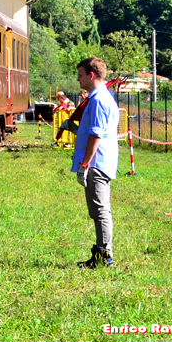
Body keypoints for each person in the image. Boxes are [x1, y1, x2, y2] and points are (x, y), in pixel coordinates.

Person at [71, 56, 120, 268]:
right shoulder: (99, 98)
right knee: (98, 210)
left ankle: (103, 257)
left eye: (80, 75)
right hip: (98, 162)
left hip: (96, 163)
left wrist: (85, 164)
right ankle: (102, 253)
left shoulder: (99, 100)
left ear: (91, 75)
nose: (78, 80)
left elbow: (96, 135)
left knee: (100, 211)